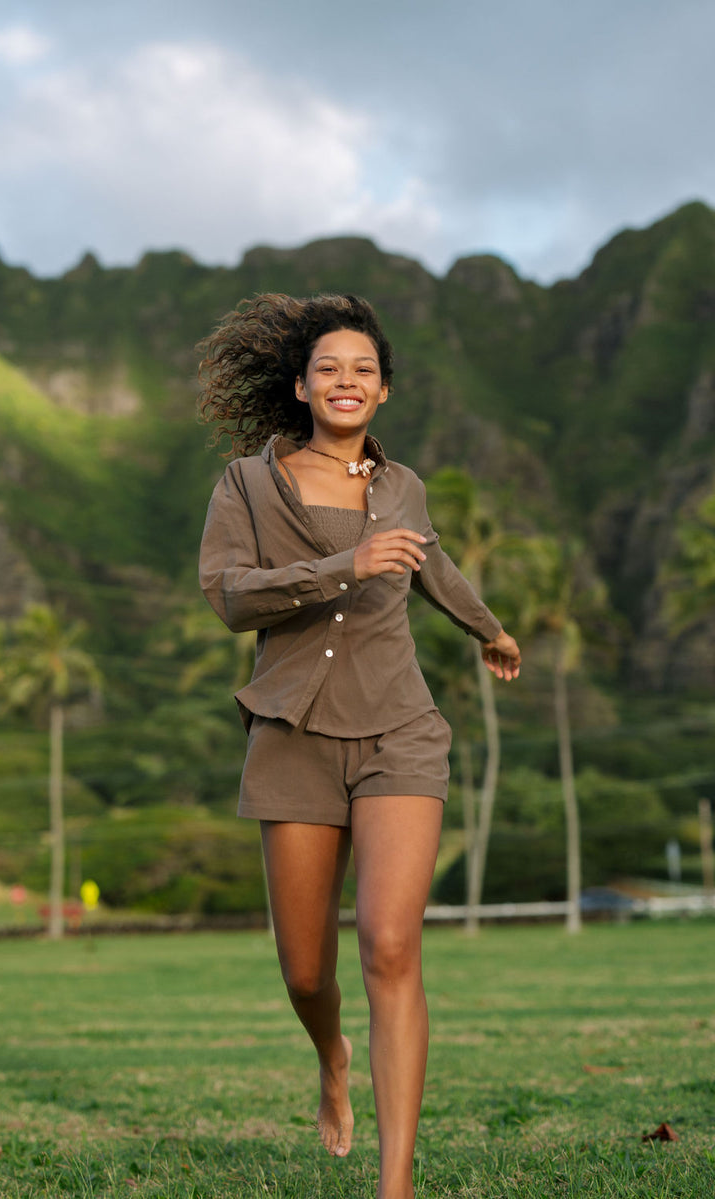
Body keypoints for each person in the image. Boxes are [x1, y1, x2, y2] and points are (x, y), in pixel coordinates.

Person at [198, 293, 521, 1199]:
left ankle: (396, 1184)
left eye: (364, 370)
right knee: (308, 972)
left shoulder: (403, 486)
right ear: (301, 386)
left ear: (383, 393)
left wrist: (488, 630)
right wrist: (346, 564)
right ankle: (331, 1056)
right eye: (329, 368)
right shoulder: (247, 484)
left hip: (399, 732)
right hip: (292, 736)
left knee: (389, 943)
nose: (347, 381)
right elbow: (230, 596)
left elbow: (432, 562)